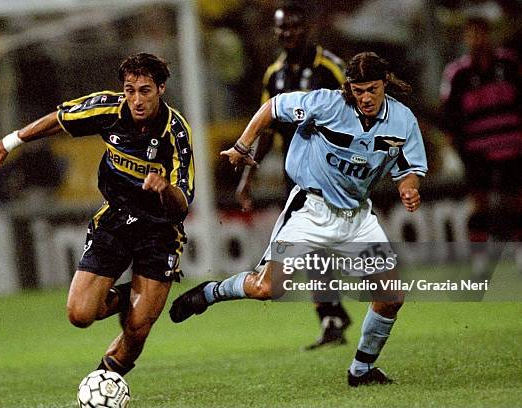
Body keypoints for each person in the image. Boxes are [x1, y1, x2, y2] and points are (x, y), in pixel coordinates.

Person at [170, 52, 428, 386]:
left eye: (372, 90)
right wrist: (242, 145)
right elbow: (272, 108)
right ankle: (211, 293)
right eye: (358, 90)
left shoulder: (403, 120)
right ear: (349, 88)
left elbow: (408, 170)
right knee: (267, 288)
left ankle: (361, 370)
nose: (365, 97)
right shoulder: (327, 104)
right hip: (311, 208)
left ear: (385, 84)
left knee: (391, 296)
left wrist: (409, 189)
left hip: (356, 216)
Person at [0, 53, 195, 377]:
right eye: (130, 90)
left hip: (161, 229)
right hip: (116, 218)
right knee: (79, 313)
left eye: (145, 90)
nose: (136, 99)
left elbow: (183, 204)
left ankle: (104, 383)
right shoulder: (108, 109)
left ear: (161, 88)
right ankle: (133, 294)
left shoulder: (177, 133)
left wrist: (163, 188)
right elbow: (60, 119)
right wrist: (9, 142)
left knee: (137, 328)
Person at [236, 3, 351, 350]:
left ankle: (337, 313)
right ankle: (332, 316)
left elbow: (356, 109)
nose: (289, 34)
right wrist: (247, 174)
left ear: (308, 27)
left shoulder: (329, 67)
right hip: (297, 172)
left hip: (333, 169)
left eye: (295, 27)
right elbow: (268, 128)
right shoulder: (275, 74)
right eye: (283, 29)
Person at [439, 17, 521, 254]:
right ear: (466, 39)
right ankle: (478, 256)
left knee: (517, 199)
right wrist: (458, 147)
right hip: (477, 149)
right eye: (472, 35)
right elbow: (449, 115)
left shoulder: (509, 64)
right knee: (479, 202)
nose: (477, 40)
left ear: (489, 35)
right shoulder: (457, 74)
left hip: (512, 145)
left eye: (481, 33)